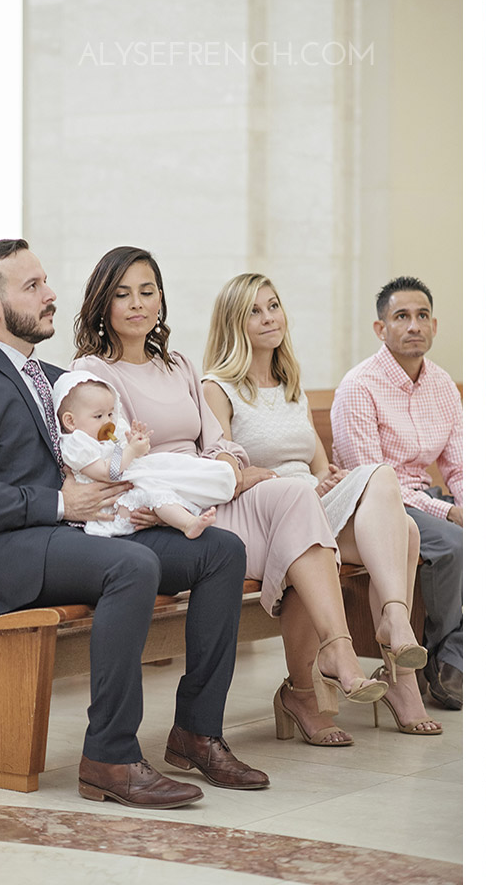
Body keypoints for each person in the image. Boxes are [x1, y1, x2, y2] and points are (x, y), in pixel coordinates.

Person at [0, 238, 269, 809]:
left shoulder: (62, 380)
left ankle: (197, 731)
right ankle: (109, 756)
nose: (50, 293)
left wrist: (128, 500)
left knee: (221, 551)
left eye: (45, 281)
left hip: (75, 535)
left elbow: (108, 465)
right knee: (131, 566)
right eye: (32, 286)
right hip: (3, 551)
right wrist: (62, 505)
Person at [71, 246, 387, 738]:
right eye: (122, 294)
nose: (137, 304)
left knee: (295, 497)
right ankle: (309, 684)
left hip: (214, 494)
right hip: (160, 509)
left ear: (160, 301)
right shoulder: (95, 374)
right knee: (296, 529)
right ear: (103, 305)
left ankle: (337, 650)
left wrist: (229, 469)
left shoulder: (177, 365)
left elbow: (222, 444)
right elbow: (111, 459)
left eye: (147, 292)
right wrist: (200, 484)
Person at [203, 272, 442, 740]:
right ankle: (385, 643)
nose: (269, 317)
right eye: (254, 310)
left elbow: (315, 464)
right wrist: (290, 483)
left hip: (308, 501)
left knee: (405, 530)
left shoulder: (289, 380)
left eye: (273, 305)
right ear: (234, 322)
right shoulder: (218, 387)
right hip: (262, 514)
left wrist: (323, 478)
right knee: (386, 490)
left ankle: (396, 649)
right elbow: (224, 473)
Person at [331, 276, 464, 710]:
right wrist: (448, 515)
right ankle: (445, 660)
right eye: (401, 316)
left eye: (422, 316)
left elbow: (458, 464)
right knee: (453, 543)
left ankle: (452, 652)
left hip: (425, 496)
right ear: (380, 328)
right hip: (378, 506)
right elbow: (371, 479)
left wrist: (467, 505)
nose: (413, 326)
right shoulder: (359, 386)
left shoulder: (442, 385)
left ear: (435, 325)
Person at [52, 370, 236, 539]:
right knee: (153, 490)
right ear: (70, 421)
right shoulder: (76, 444)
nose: (108, 421)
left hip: (129, 486)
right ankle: (187, 523)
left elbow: (127, 458)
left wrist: (137, 445)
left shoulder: (107, 437)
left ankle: (200, 495)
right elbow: (107, 473)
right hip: (112, 506)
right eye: (98, 416)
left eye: (110, 414)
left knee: (162, 477)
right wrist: (130, 451)